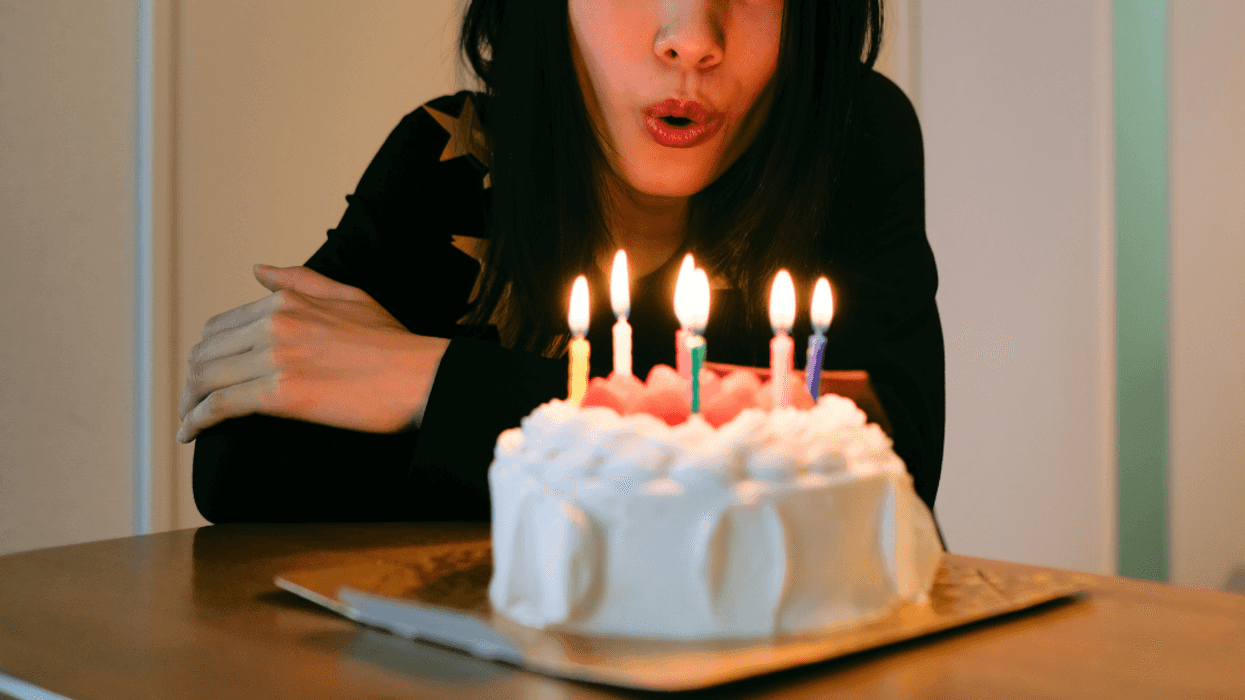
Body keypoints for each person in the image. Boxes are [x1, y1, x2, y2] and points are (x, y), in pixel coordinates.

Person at [183, 0, 944, 524]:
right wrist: (732, 452)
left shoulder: (847, 143)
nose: (691, 38)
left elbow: (885, 467)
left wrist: (424, 380)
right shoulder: (453, 155)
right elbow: (247, 464)